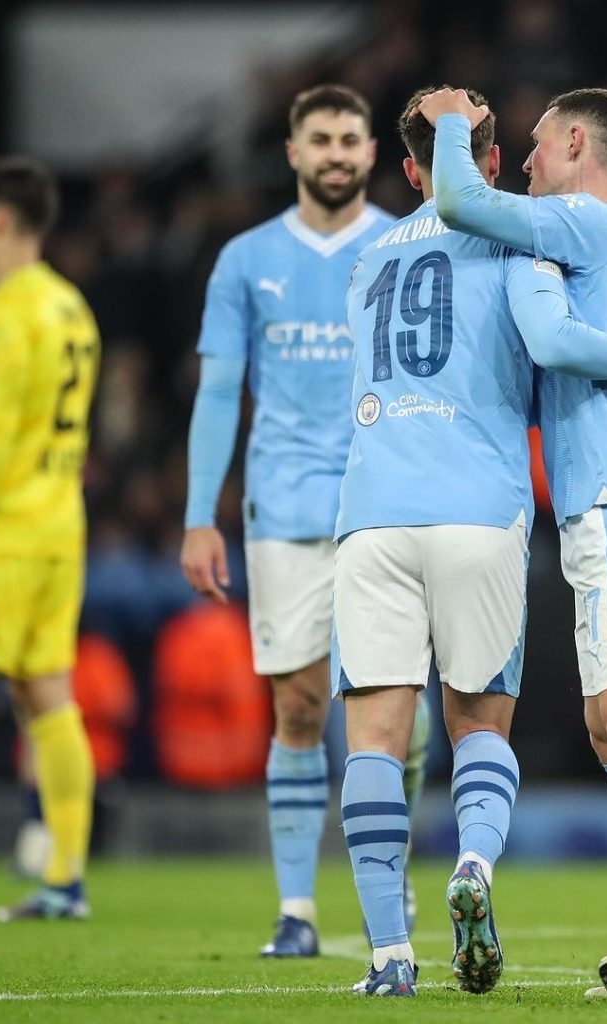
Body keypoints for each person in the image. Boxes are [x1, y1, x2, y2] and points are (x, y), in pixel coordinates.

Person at [338, 85, 607, 999]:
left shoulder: (366, 262)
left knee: (373, 732)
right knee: (479, 723)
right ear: (486, 165)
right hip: (478, 509)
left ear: (408, 171)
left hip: (369, 512)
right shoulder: (521, 238)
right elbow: (548, 358)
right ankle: (475, 867)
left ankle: (386, 956)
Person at [421, 86, 607, 1002]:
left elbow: (462, 204)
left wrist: (446, 125)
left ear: (577, 140)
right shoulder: (588, 236)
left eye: (540, 145)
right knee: (605, 723)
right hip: (602, 506)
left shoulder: (590, 220)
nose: (530, 161)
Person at [179, 84, 431, 958]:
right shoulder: (246, 260)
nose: (334, 153)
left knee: (395, 712)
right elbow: (218, 390)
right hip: (283, 503)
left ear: (372, 154)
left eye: (349, 139)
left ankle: (384, 880)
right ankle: (297, 909)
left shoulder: (405, 245)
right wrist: (197, 515)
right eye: (318, 138)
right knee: (298, 704)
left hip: (386, 501)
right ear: (292, 152)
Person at [0, 157, 100, 922]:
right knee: (45, 696)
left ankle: (64, 878)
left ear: (0, 221)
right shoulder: (71, 307)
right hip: (60, 523)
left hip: (6, 529)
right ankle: (65, 877)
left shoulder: (7, 315)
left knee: (41, 696)